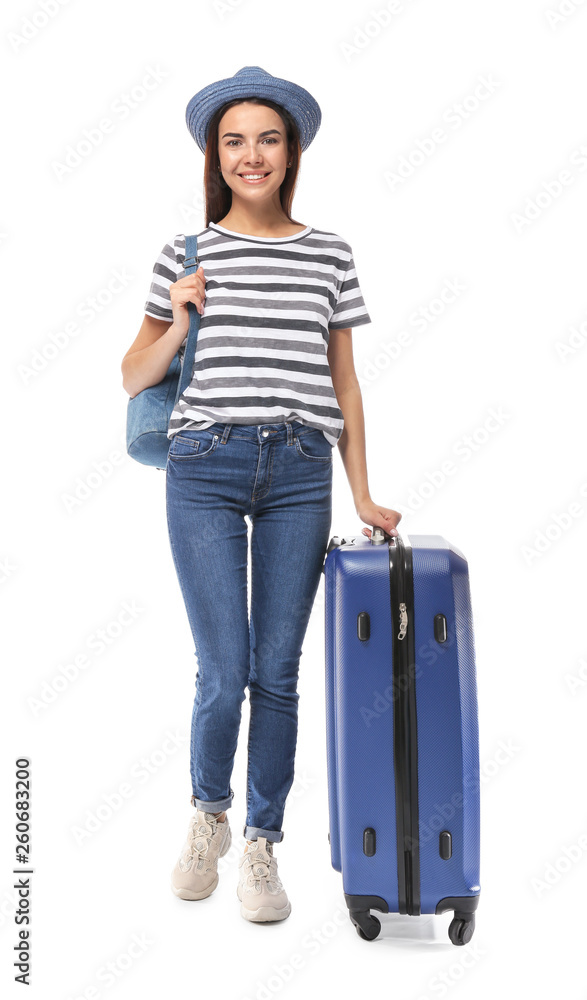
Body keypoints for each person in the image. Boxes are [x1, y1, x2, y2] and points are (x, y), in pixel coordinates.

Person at [121, 65, 401, 924]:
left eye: (267, 139)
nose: (251, 156)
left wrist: (362, 493)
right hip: (202, 465)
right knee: (225, 669)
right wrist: (176, 315)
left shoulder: (330, 253)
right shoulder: (187, 251)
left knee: (276, 673)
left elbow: (344, 385)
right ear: (216, 153)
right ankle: (207, 815)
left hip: (298, 470)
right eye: (234, 141)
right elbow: (132, 375)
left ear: (292, 151)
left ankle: (260, 844)